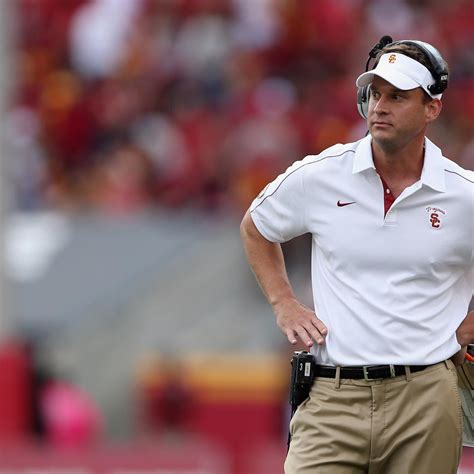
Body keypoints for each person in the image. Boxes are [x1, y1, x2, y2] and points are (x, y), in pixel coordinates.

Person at [240, 37, 474, 474]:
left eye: (397, 97)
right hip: (331, 397)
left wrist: (471, 324)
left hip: (426, 397)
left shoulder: (464, 195)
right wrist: (283, 301)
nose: (379, 107)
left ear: (432, 108)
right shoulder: (321, 174)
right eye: (375, 94)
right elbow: (256, 228)